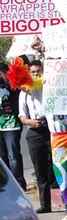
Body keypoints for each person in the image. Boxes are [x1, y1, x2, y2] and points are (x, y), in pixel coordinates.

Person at [19, 60, 52, 213]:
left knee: (58, 164)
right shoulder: (24, 93)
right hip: (34, 131)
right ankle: (45, 204)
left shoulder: (49, 87)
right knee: (40, 169)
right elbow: (22, 116)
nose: (36, 74)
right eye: (32, 72)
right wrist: (30, 122)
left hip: (50, 128)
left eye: (38, 71)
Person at [0, 61, 24, 189]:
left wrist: (5, 74)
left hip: (11, 125)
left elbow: (16, 86)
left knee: (13, 156)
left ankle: (19, 184)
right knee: (2, 158)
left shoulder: (11, 86)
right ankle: (9, 185)